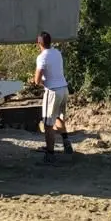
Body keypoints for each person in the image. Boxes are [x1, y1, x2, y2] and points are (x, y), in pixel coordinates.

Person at [34, 31, 73, 161]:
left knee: (47, 124)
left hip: (52, 91)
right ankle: (66, 142)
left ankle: (50, 154)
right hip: (64, 88)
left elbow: (37, 80)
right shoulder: (57, 53)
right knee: (57, 117)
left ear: (39, 43)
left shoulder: (42, 57)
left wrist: (40, 82)